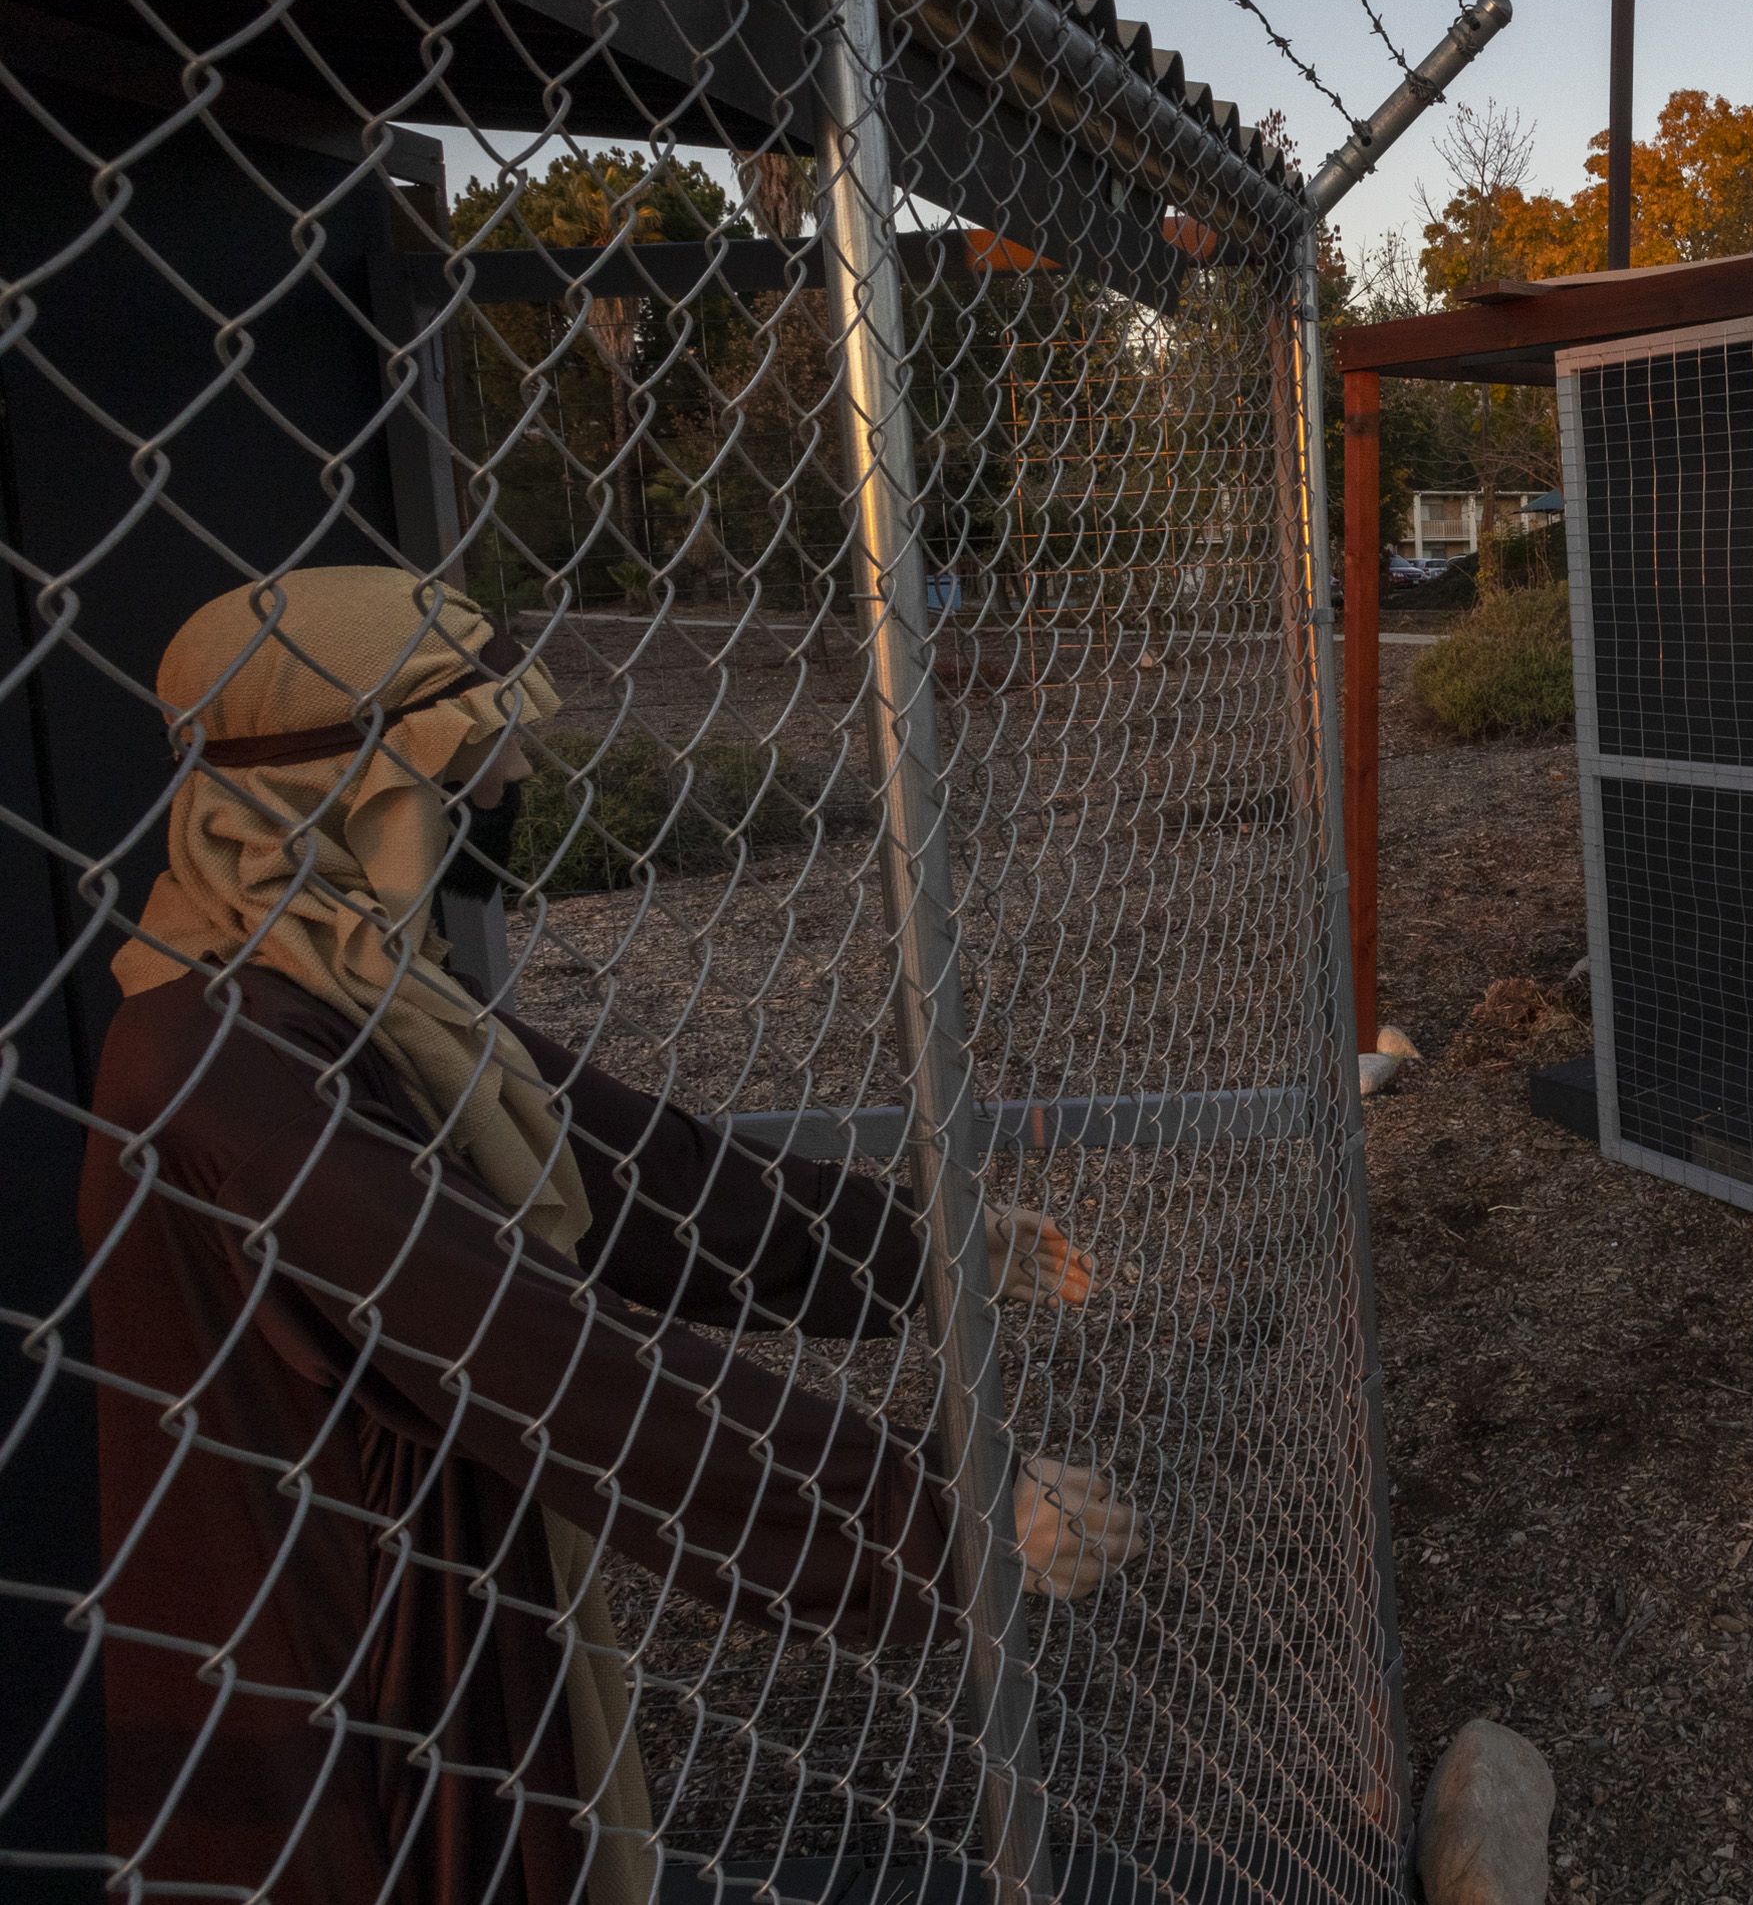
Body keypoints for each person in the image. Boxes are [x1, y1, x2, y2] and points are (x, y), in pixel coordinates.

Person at [80, 567, 1137, 1905]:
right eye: (477, 751)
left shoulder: (361, 986)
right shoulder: (218, 1057)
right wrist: (940, 1514)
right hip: (336, 1652)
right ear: (350, 787)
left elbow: (645, 1174)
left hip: (446, 1584)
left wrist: (928, 1246)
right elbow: (533, 1348)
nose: (520, 773)